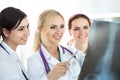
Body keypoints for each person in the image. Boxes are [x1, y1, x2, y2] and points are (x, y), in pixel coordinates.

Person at [27, 9, 81, 80]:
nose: (59, 32)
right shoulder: (34, 61)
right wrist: (51, 77)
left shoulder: (72, 52)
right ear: (40, 29)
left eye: (61, 26)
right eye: (53, 27)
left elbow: (92, 66)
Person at [0, 7, 30, 80]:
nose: (27, 33)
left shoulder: (10, 54)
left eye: (27, 27)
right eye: (21, 29)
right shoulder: (4, 62)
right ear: (6, 32)